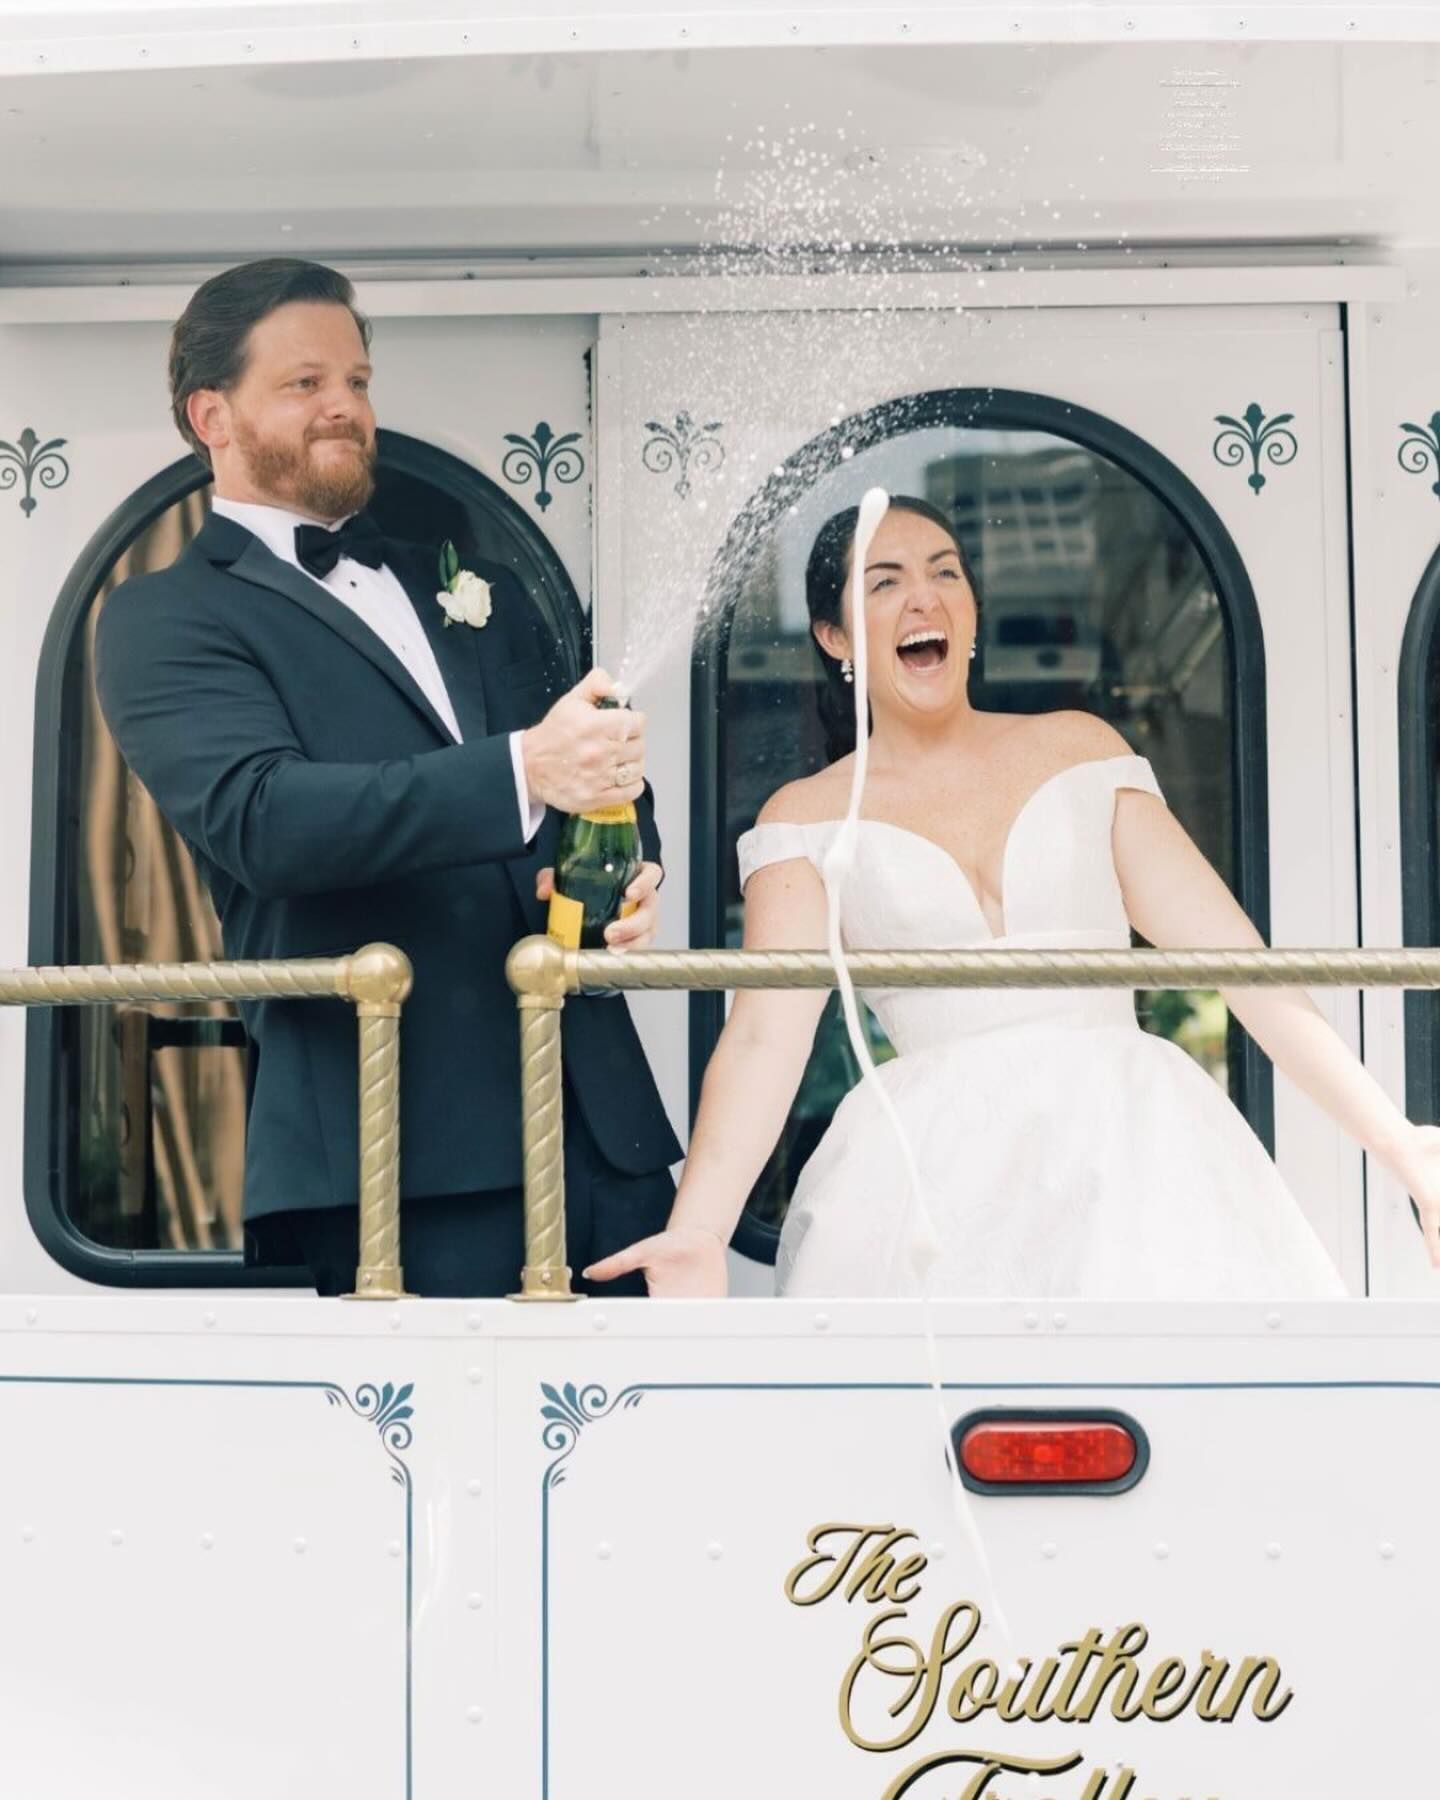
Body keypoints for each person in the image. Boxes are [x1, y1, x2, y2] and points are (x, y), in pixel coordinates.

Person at [587, 495, 1440, 1299]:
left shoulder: (1081, 750)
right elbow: (763, 1039)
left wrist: (1402, 1148)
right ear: (834, 636)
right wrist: (700, 1230)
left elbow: (1247, 970)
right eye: (885, 583)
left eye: (945, 572)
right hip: (929, 1178)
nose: (925, 597)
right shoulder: (803, 819)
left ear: (973, 616)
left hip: (1140, 1151)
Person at [95, 258, 680, 1296]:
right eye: (305, 383)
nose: (344, 408)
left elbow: (595, 772)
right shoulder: (164, 618)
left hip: (601, 1133)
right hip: (392, 1153)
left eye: (358, 383)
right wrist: (521, 770)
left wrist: (633, 871)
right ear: (211, 414)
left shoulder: (476, 582)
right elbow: (263, 820)